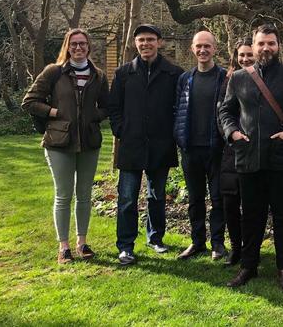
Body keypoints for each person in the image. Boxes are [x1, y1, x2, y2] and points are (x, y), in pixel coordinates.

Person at [219, 25, 283, 289]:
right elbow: (225, 111)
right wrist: (232, 132)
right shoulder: (238, 78)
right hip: (248, 158)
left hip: (279, 158)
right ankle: (248, 267)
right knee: (250, 216)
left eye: (271, 43)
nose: (266, 48)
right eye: (261, 43)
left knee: (282, 216)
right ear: (254, 44)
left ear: (278, 46)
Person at [22, 28, 110, 264]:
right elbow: (30, 101)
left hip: (89, 142)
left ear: (89, 46)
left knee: (84, 195)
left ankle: (82, 242)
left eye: (82, 44)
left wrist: (93, 115)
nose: (78, 48)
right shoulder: (55, 72)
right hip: (59, 142)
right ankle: (64, 246)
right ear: (67, 47)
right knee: (63, 195)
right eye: (74, 45)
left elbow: (108, 106)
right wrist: (54, 112)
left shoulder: (98, 75)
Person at [108, 24, 184, 265]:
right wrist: (121, 130)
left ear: (159, 42)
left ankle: (156, 237)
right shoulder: (123, 74)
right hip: (131, 144)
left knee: (157, 196)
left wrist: (173, 133)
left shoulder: (174, 73)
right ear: (135, 43)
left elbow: (179, 108)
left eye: (150, 39)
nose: (146, 44)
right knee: (127, 198)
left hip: (161, 144)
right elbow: (114, 108)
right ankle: (126, 245)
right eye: (141, 40)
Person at [174, 31, 227, 261]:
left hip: (216, 149)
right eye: (199, 46)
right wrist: (179, 137)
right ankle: (197, 242)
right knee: (195, 199)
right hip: (190, 149)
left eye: (207, 46)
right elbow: (177, 110)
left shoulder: (225, 77)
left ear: (215, 48)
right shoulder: (185, 79)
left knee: (218, 199)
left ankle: (218, 243)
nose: (203, 50)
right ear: (192, 49)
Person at [218, 38, 255, 266]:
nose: (245, 59)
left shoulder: (265, 79)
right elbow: (221, 113)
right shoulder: (229, 80)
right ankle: (236, 247)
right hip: (232, 150)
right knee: (230, 203)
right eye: (241, 55)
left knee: (252, 205)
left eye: (249, 55)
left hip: (255, 150)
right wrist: (231, 134)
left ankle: (251, 249)